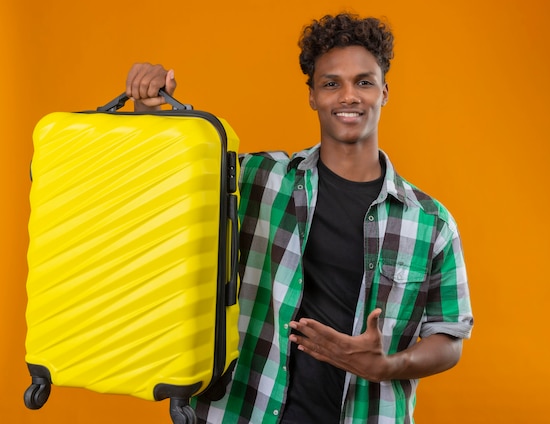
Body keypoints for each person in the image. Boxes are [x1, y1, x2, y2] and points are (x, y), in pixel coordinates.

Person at [125, 12, 473, 424]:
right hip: (243, 411)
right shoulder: (257, 179)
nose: (348, 96)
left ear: (384, 92)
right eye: (331, 83)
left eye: (363, 82)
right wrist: (149, 111)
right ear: (312, 95)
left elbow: (448, 336)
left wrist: (386, 366)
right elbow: (167, 190)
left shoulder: (430, 222)